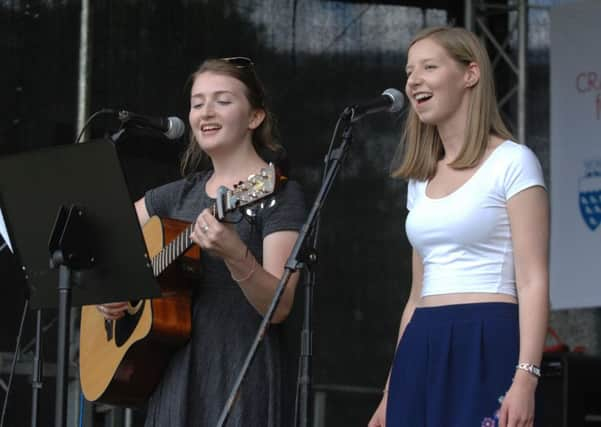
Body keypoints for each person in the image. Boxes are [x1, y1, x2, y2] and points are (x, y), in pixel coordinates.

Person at [97, 57, 306, 426]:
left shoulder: (275, 193)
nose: (206, 112)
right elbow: (104, 235)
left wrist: (236, 255)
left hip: (239, 378)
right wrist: (110, 287)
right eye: (197, 103)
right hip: (172, 380)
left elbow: (280, 306)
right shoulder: (177, 196)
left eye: (223, 101)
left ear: (255, 117)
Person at [368, 26, 549, 427]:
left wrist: (526, 378)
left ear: (470, 74)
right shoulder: (420, 180)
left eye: (429, 67)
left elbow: (533, 280)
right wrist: (389, 391)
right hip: (423, 340)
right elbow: (415, 295)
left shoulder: (513, 162)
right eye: (408, 71)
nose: (413, 80)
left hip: (487, 336)